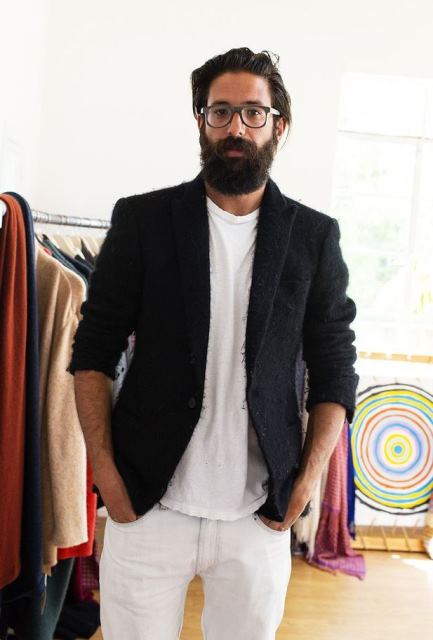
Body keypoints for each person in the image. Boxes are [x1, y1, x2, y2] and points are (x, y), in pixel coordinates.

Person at [69, 47, 358, 640]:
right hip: (148, 505)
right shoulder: (143, 221)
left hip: (258, 514)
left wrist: (306, 482)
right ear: (201, 121)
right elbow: (93, 351)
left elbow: (335, 365)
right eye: (220, 112)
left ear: (279, 125)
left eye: (254, 113)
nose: (236, 128)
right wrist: (105, 474)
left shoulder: (314, 237)